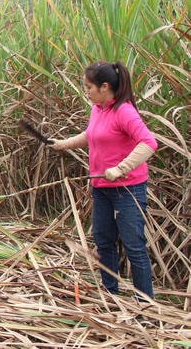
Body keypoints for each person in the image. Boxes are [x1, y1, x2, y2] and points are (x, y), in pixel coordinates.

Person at [51, 61, 157, 300]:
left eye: (89, 87)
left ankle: (145, 303)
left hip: (127, 189)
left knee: (133, 246)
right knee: (103, 241)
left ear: (105, 86)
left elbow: (149, 143)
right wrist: (63, 144)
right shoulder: (98, 109)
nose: (86, 91)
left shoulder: (124, 111)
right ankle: (111, 294)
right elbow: (91, 135)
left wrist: (121, 168)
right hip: (101, 189)